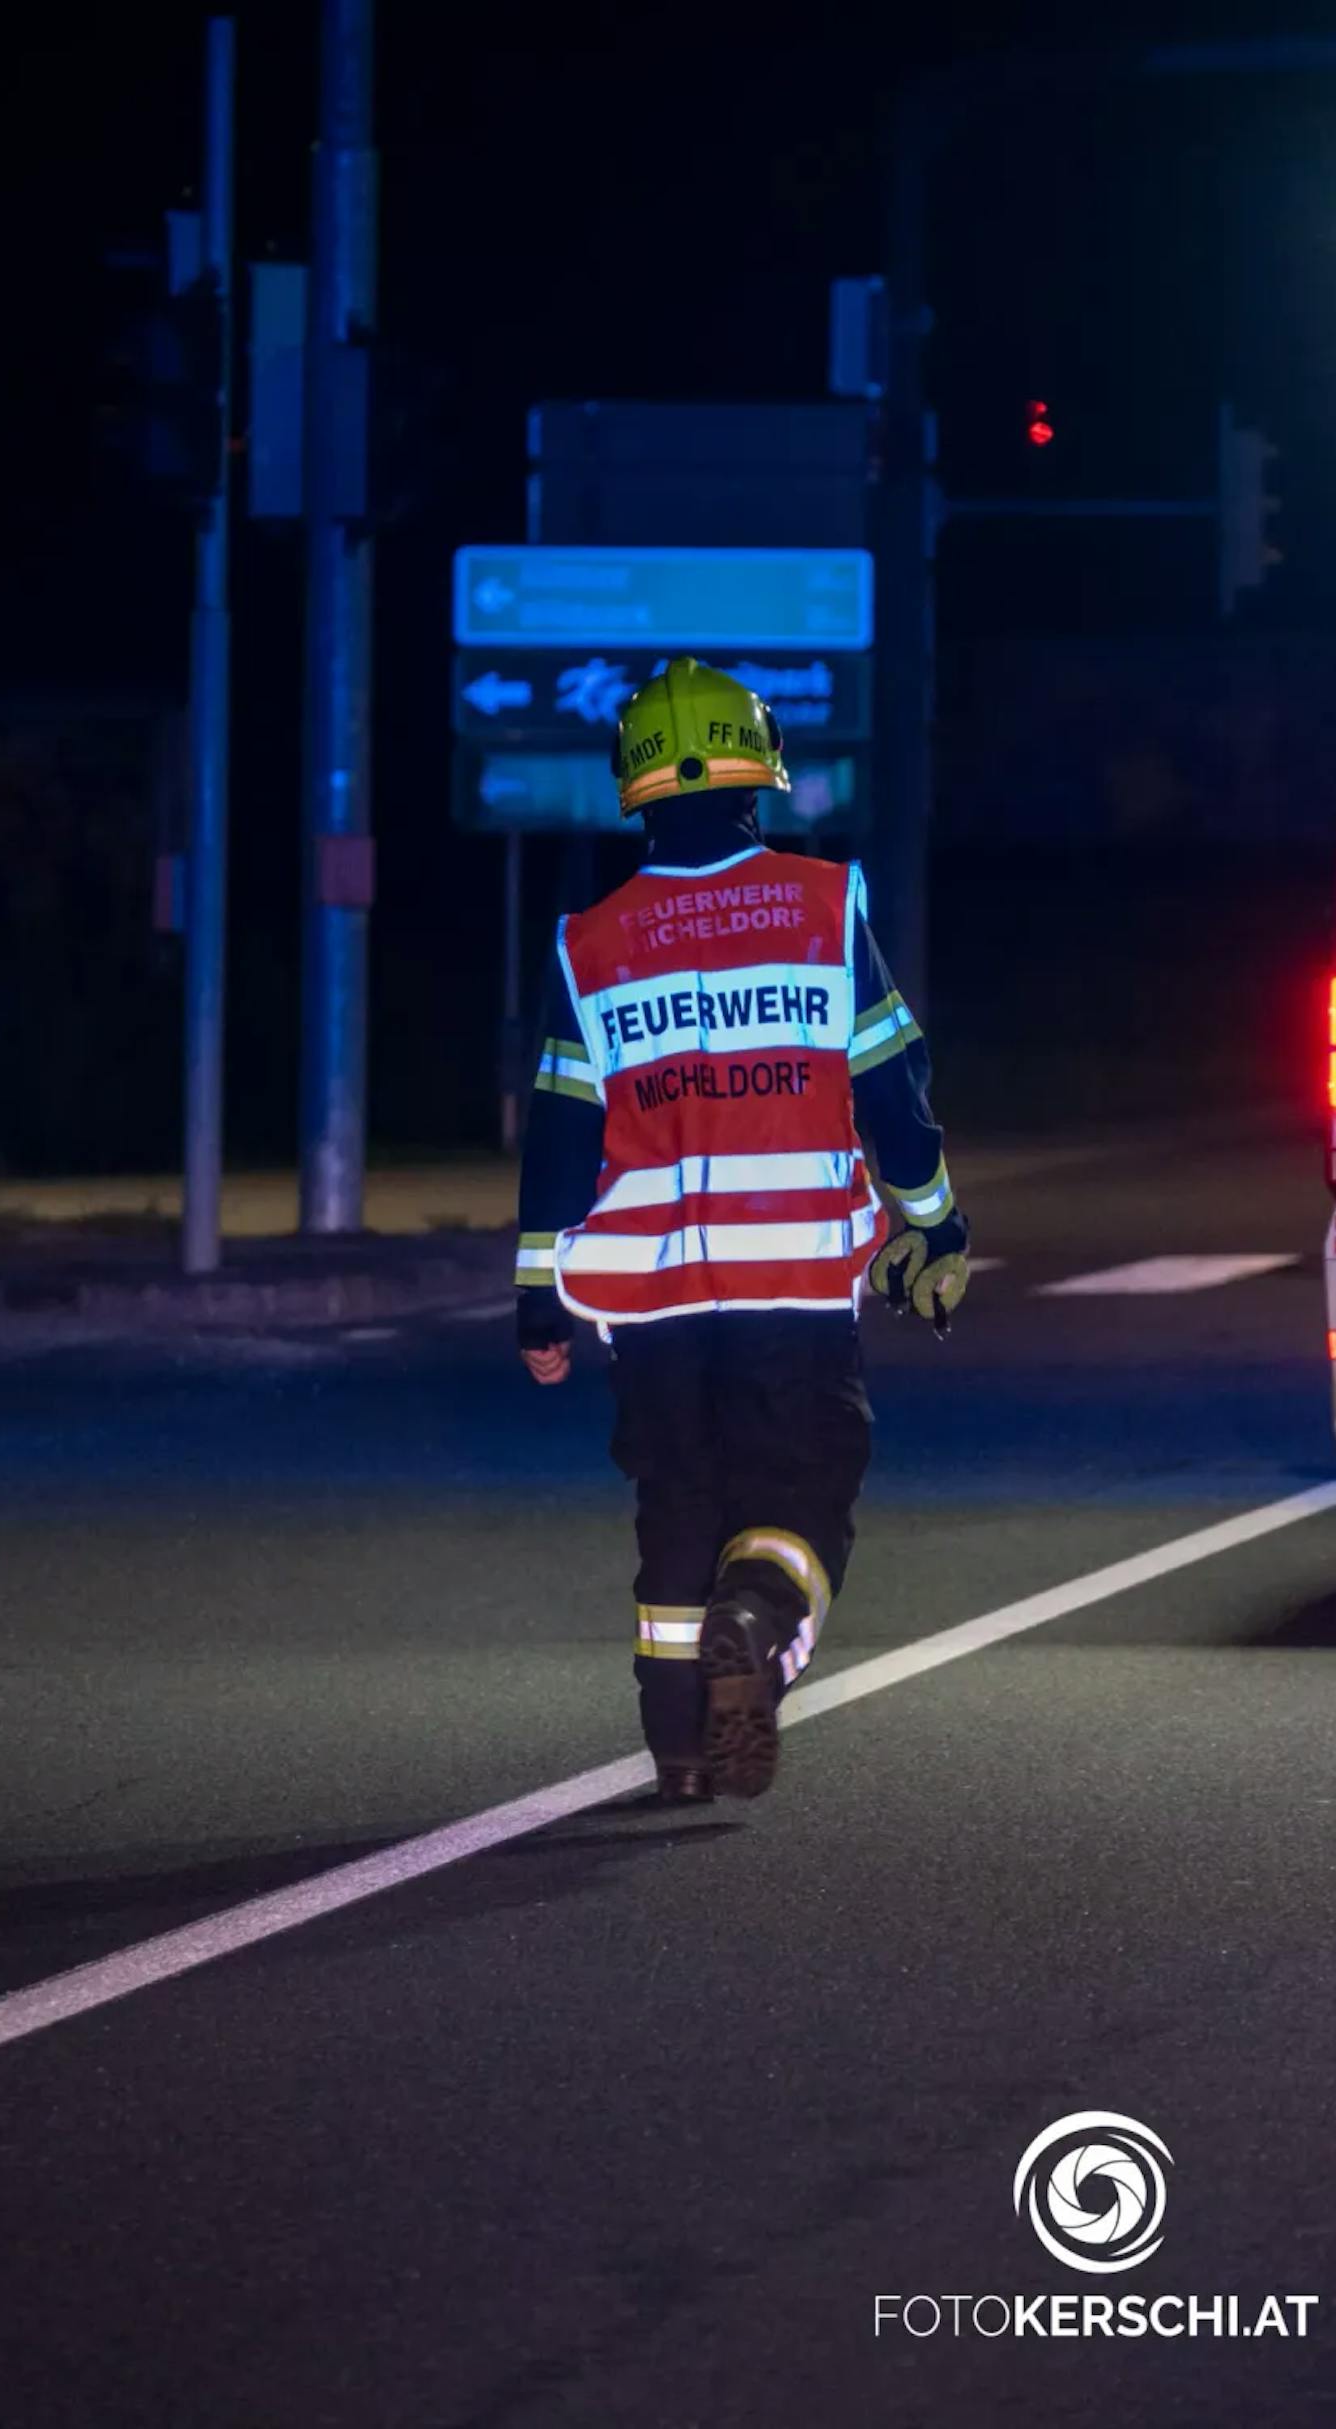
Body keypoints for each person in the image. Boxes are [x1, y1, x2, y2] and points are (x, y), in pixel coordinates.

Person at [514, 657, 968, 1804]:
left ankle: (675, 1749)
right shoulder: (824, 902)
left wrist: (535, 1293)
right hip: (793, 1288)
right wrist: (935, 1222)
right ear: (756, 775)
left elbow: (561, 1133)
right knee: (804, 1491)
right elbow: (886, 1085)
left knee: (676, 1503)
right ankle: (758, 1624)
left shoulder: (590, 939)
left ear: (635, 787)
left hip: (650, 1305)